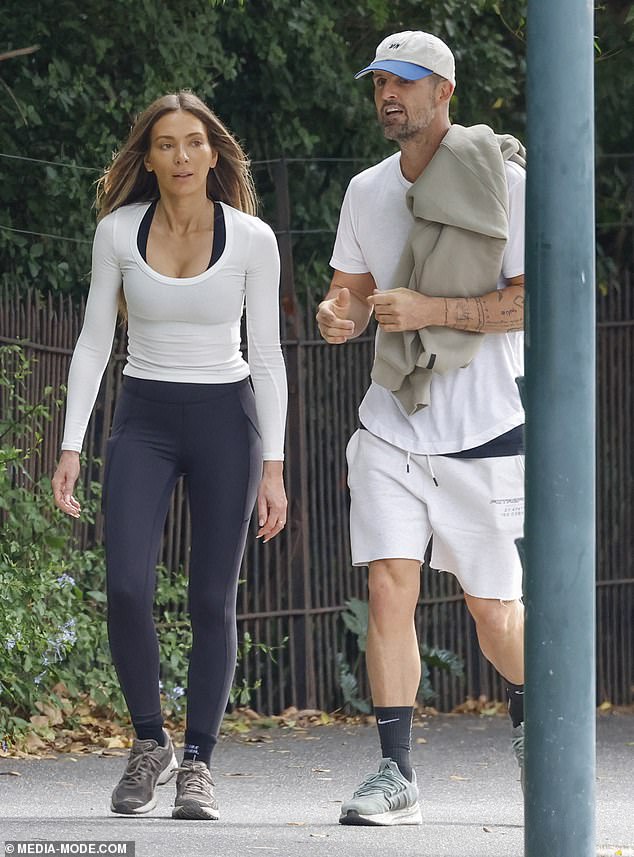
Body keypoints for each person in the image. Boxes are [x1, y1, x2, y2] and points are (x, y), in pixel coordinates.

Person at [51, 91, 288, 821]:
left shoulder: (252, 238)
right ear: (146, 158)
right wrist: (70, 445)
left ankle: (198, 763)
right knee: (126, 585)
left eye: (193, 143)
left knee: (211, 598)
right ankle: (150, 741)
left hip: (227, 416)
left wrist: (273, 464)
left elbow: (270, 355)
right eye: (165, 145)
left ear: (214, 153)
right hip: (144, 417)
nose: (180, 156)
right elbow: (94, 342)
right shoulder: (118, 231)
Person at [317, 31, 526, 826]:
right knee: (386, 586)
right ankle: (394, 769)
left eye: (405, 81)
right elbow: (348, 291)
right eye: (380, 82)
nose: (388, 95)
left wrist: (434, 311)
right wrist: (340, 316)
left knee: (493, 615)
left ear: (445, 91)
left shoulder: (505, 184)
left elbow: (531, 300)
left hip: (485, 433)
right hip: (391, 425)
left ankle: (534, 715)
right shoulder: (366, 190)